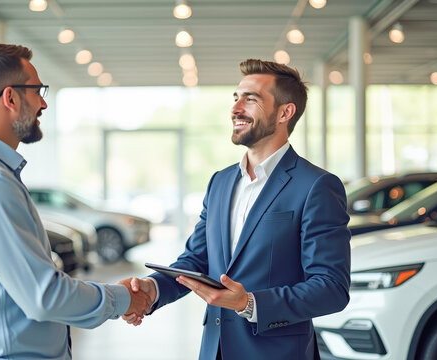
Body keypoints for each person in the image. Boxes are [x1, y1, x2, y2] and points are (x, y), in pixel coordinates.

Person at [0, 43, 151, 359]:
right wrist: (123, 298)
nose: (44, 102)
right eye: (37, 90)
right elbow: (44, 296)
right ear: (11, 98)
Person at [120, 59, 351, 360]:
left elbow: (331, 288)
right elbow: (197, 259)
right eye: (236, 97)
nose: (236, 108)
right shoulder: (221, 182)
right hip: (215, 350)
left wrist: (249, 303)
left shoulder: (316, 186)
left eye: (250, 98)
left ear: (285, 112)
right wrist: (152, 290)